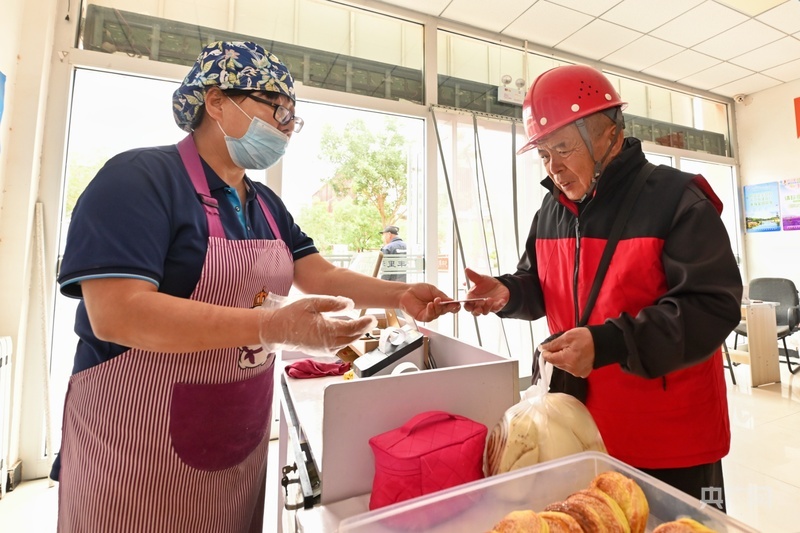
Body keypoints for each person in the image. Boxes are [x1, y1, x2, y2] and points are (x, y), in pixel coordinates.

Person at [50, 41, 459, 531]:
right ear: (217, 101)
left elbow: (319, 274)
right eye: (278, 108)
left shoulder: (265, 203)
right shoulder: (139, 180)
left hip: (237, 437)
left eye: (293, 117)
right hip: (136, 444)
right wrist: (272, 326)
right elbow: (119, 314)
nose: (286, 126)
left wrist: (399, 294)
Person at [463, 64, 742, 511]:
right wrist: (507, 293)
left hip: (670, 437)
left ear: (608, 135)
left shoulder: (677, 198)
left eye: (563, 149)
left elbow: (712, 306)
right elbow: (540, 284)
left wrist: (609, 343)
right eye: (544, 155)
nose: (554, 167)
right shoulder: (550, 212)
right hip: (582, 431)